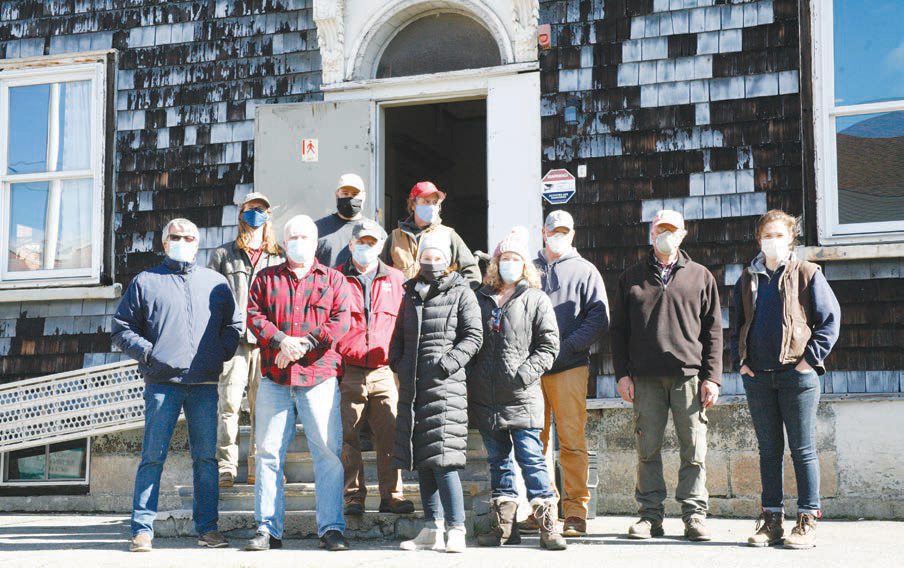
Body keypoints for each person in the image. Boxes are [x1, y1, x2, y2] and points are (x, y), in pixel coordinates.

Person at [112, 218, 241, 553]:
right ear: (164, 242)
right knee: (152, 457)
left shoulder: (215, 282)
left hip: (203, 383)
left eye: (189, 237)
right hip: (162, 384)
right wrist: (149, 353)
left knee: (206, 459)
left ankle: (208, 529)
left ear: (198, 244)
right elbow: (122, 328)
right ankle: (142, 529)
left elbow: (234, 325)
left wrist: (218, 354)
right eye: (175, 236)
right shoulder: (146, 282)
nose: (182, 240)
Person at [731, 210, 840, 550]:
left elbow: (830, 322)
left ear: (791, 238)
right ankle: (772, 519)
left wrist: (808, 362)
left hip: (797, 376)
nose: (772, 241)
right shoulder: (747, 278)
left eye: (779, 235)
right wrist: (742, 362)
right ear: (758, 239)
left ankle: (807, 519)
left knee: (803, 449)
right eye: (766, 235)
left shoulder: (807, 273)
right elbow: (736, 324)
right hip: (759, 378)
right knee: (768, 450)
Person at [611, 209, 722, 542]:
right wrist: (622, 375)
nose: (666, 235)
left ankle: (694, 516)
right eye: (661, 229)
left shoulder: (701, 277)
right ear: (650, 233)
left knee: (693, 450)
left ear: (683, 234)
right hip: (644, 379)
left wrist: (712, 377)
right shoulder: (631, 277)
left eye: (672, 230)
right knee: (648, 450)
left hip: (689, 377)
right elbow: (618, 331)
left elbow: (713, 331)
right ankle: (649, 517)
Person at [244, 215, 351, 552]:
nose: (298, 242)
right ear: (284, 241)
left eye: (304, 236)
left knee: (327, 454)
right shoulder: (265, 278)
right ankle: (267, 530)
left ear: (315, 241)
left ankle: (331, 528)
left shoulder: (334, 280)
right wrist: (280, 341)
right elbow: (254, 315)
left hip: (319, 378)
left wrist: (302, 344)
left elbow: (340, 321)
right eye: (292, 236)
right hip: (275, 381)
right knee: (268, 454)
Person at [469, 227, 567, 551]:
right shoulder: (480, 298)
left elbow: (549, 346)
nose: (509, 263)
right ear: (495, 262)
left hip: (523, 397)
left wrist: (525, 374)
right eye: (504, 257)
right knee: (498, 463)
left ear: (524, 263)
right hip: (487, 399)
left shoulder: (535, 299)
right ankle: (504, 527)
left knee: (531, 461)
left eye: (515, 258)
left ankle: (548, 525)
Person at [390, 231, 483, 553]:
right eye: (426, 257)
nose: (431, 263)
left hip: (446, 387)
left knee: (444, 462)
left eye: (437, 257)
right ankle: (431, 527)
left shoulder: (461, 292)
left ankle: (456, 528)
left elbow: (473, 336)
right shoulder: (411, 292)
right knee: (424, 461)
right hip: (414, 388)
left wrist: (446, 365)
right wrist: (398, 362)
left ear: (449, 261)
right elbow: (399, 333)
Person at [524, 210, 608, 537]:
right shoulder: (527, 270)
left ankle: (575, 512)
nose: (557, 235)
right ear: (542, 232)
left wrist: (566, 347)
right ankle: (543, 509)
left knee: (572, 440)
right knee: (535, 442)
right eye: (552, 229)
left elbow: (597, 319)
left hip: (569, 367)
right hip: (532, 371)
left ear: (572, 234)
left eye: (564, 230)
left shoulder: (586, 271)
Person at [336, 219, 414, 516]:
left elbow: (406, 325)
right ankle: (353, 495)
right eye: (361, 242)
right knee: (348, 435)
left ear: (381, 246)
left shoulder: (397, 280)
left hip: (384, 369)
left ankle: (391, 495)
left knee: (391, 432)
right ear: (351, 244)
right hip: (349, 368)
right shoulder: (336, 279)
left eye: (372, 242)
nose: (366, 247)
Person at [208, 192, 284, 488]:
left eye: (261, 209)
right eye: (251, 209)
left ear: (269, 215)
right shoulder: (223, 255)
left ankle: (258, 466)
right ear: (241, 214)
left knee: (262, 408)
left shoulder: (277, 256)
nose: (256, 214)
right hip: (234, 342)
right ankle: (227, 465)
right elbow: (210, 301)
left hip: (266, 343)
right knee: (228, 406)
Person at [381, 181, 481, 287]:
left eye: (435, 202)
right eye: (426, 201)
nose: (431, 206)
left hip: (437, 303)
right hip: (402, 301)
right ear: (413, 204)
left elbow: (473, 275)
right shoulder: (395, 237)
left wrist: (451, 293)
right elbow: (381, 274)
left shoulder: (448, 235)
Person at [315, 173, 387, 268]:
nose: (350, 198)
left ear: (363, 197)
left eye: (354, 194)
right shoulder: (318, 229)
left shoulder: (376, 232)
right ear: (337, 195)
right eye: (345, 193)